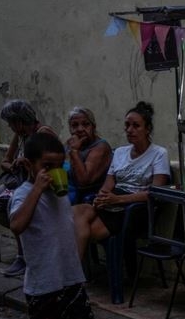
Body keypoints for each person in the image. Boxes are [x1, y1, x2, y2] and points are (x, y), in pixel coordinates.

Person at [9, 132, 98, 319]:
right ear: (30, 165)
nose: (54, 172)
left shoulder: (60, 194)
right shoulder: (24, 194)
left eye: (59, 166)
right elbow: (17, 226)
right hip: (43, 283)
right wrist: (36, 189)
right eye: (47, 166)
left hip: (69, 276)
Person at [73, 101, 170, 272]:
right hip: (113, 202)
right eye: (127, 125)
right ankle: (74, 274)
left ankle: (73, 276)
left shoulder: (159, 154)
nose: (129, 130)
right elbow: (108, 184)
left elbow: (155, 192)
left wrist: (117, 200)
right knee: (75, 213)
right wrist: (101, 198)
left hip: (135, 208)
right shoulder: (119, 152)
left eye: (136, 126)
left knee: (84, 231)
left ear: (147, 129)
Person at [0, 100, 58, 277]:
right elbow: (5, 162)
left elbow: (53, 164)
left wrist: (29, 165)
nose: (9, 127)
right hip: (20, 181)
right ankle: (24, 248)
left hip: (41, 184)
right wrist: (13, 166)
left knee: (12, 204)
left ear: (19, 121)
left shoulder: (43, 133)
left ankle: (23, 255)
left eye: (10, 123)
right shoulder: (21, 135)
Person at [65, 106, 113, 205]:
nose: (80, 129)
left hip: (90, 199)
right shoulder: (70, 144)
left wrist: (74, 151)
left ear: (93, 127)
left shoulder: (101, 147)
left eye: (85, 124)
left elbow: (84, 180)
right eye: (75, 125)